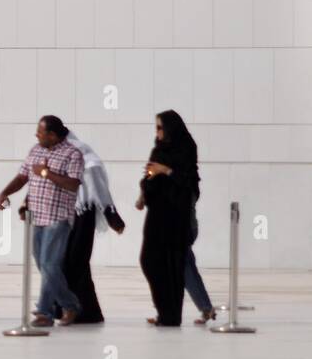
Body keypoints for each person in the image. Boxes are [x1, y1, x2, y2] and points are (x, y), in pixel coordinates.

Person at [0, 116, 84, 326]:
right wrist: (5, 193)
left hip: (58, 218)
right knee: (43, 265)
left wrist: (46, 173)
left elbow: (73, 184)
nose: (37, 135)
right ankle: (64, 306)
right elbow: (22, 177)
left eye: (40, 131)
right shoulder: (36, 150)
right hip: (36, 217)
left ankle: (49, 311)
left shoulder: (73, 154)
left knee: (50, 265)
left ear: (52, 135)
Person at [41, 131, 125, 323]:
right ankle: (66, 309)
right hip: (63, 214)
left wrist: (111, 215)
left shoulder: (85, 157)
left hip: (82, 215)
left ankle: (84, 311)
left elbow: (98, 188)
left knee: (76, 262)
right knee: (62, 261)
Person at [139, 110, 211, 326]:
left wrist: (165, 170)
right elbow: (150, 177)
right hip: (158, 216)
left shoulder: (186, 148)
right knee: (154, 261)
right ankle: (169, 310)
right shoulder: (158, 149)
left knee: (179, 264)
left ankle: (173, 313)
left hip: (179, 217)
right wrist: (144, 193)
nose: (157, 132)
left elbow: (187, 181)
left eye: (160, 127)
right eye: (156, 128)